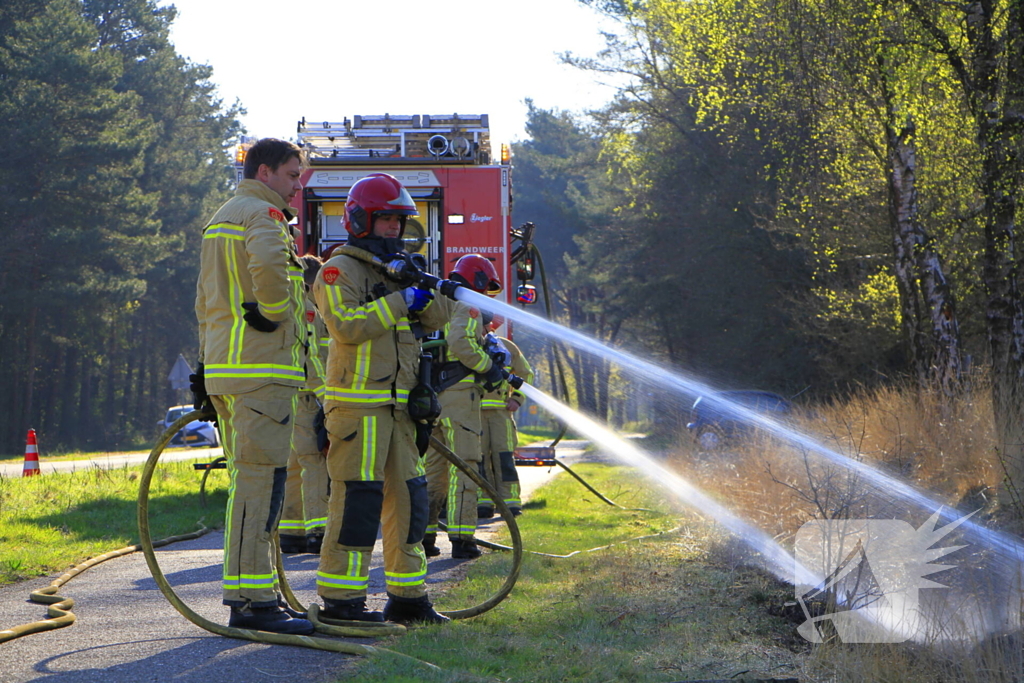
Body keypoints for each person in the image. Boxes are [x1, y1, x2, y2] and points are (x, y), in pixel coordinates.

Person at [312, 172, 452, 625]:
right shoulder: (338, 271)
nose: (395, 228)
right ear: (360, 220)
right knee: (357, 504)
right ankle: (342, 601)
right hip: (358, 409)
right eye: (386, 219)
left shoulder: (397, 271)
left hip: (399, 410)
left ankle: (408, 597)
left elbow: (436, 320)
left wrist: (426, 291)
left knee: (410, 503)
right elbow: (346, 325)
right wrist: (400, 301)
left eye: (399, 221)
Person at [191, 138, 313, 634]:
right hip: (261, 372)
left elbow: (205, 301)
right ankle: (254, 603)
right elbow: (268, 268)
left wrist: (206, 369)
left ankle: (252, 596)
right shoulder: (264, 215)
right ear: (264, 172)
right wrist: (273, 312)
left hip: (228, 371)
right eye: (292, 175)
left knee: (250, 483)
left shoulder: (221, 217)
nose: (297, 186)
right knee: (262, 487)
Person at [423, 254, 504, 559]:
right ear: (478, 279)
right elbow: (461, 342)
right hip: (459, 395)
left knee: (433, 471)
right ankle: (462, 538)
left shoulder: (436, 301)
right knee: (465, 466)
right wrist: (489, 367)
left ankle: (424, 537)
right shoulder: (467, 303)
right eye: (485, 286)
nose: (485, 294)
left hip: (431, 397)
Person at [278, 255, 331, 554]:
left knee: (295, 465)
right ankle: (317, 530)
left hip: (291, 396)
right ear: (312, 283)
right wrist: (326, 397)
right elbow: (312, 358)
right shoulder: (309, 310)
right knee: (314, 463)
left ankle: (292, 532)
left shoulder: (291, 306)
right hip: (308, 397)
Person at [476, 324, 534, 518]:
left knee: (504, 457)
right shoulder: (467, 346)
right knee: (479, 459)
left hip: (501, 413)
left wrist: (517, 398)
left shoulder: (506, 346)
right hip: (473, 412)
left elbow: (526, 373)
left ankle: (510, 502)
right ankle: (484, 501)